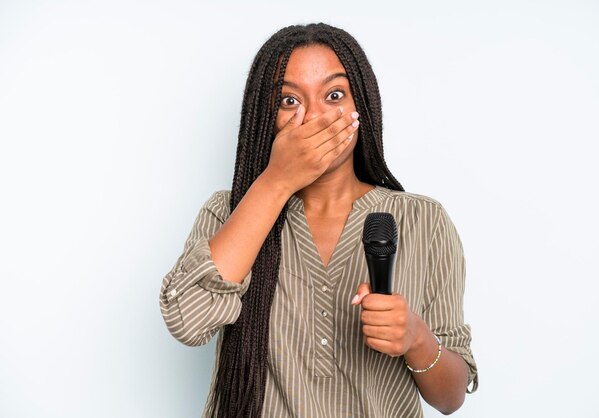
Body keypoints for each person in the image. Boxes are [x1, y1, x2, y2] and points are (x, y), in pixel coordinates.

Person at [159, 23, 478, 418]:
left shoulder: (423, 220)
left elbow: (450, 398)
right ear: (266, 117)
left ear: (361, 106)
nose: (314, 118)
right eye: (289, 101)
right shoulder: (227, 213)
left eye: (334, 95)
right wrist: (276, 181)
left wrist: (416, 338)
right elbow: (187, 322)